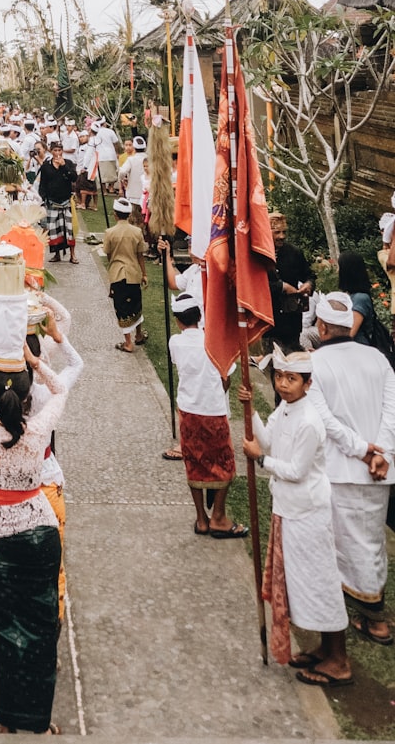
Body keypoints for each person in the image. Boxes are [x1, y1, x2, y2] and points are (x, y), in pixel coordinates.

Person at [0, 343, 69, 735]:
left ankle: (7, 720)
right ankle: (39, 719)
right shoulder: (38, 432)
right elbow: (60, 391)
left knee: (3, 628)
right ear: (27, 398)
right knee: (42, 627)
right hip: (40, 533)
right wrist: (36, 361)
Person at [242, 347, 351, 687]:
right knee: (304, 585)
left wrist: (261, 462)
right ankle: (324, 649)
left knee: (320, 585)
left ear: (307, 383)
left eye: (291, 379)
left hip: (308, 513)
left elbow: (296, 470)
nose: (283, 384)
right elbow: (269, 440)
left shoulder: (309, 421)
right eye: (279, 377)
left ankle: (339, 661)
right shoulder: (286, 410)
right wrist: (250, 410)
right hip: (289, 509)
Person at [308, 290, 395, 646]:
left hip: (341, 469)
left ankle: (373, 619)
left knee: (345, 545)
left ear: (324, 326)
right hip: (379, 470)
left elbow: (325, 420)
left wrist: (361, 451)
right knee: (371, 541)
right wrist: (381, 452)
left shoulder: (315, 364)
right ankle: (371, 613)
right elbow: (391, 411)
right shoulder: (378, 360)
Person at [167, 292, 247, 539]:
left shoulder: (175, 343)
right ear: (200, 316)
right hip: (213, 409)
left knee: (194, 461)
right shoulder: (214, 342)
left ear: (178, 321)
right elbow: (226, 379)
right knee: (224, 463)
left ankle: (201, 518)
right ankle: (219, 517)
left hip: (189, 411)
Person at [102, 198, 147, 352]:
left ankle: (128, 342)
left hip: (118, 274)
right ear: (128, 215)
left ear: (115, 214)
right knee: (136, 305)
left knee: (121, 308)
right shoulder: (137, 232)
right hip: (134, 273)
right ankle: (139, 334)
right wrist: (144, 274)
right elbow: (140, 254)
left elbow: (107, 253)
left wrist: (113, 263)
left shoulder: (110, 232)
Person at [267, 213, 314, 354]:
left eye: (284, 232)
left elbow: (309, 275)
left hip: (292, 321)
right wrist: (281, 287)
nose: (282, 236)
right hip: (268, 324)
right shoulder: (257, 255)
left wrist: (309, 285)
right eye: (277, 232)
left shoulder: (294, 253)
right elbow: (253, 287)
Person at [36, 143, 77, 265]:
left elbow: (74, 178)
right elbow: (42, 184)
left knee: (69, 230)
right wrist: (43, 198)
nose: (57, 152)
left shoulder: (68, 163)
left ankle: (73, 255)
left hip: (65, 201)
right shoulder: (46, 166)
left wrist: (64, 167)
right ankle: (56, 254)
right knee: (53, 230)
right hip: (52, 201)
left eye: (59, 150)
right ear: (51, 151)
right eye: (55, 150)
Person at [336, 251, 378, 342]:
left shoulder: (360, 299)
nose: (337, 271)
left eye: (339, 267)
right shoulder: (350, 295)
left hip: (358, 348)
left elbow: (351, 333)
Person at [121, 135, 147, 226]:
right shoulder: (150, 159)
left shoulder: (131, 160)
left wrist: (123, 180)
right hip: (147, 195)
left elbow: (122, 171)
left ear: (134, 148)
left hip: (134, 194)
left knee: (134, 220)